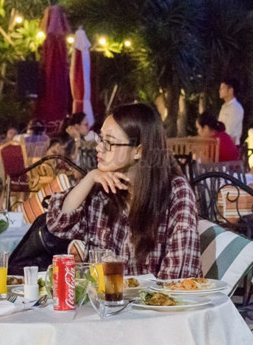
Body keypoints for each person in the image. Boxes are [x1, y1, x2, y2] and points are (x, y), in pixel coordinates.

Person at [46, 103, 201, 279]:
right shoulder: (101, 188)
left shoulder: (175, 192)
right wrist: (90, 177)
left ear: (138, 151)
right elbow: (57, 224)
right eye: (100, 138)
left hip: (156, 296)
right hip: (105, 294)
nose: (99, 147)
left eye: (109, 142)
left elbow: (179, 278)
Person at [217, 76, 244, 145]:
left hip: (230, 145)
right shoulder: (224, 107)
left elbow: (229, 130)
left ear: (230, 90)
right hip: (222, 143)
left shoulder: (236, 108)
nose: (219, 91)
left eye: (222, 88)